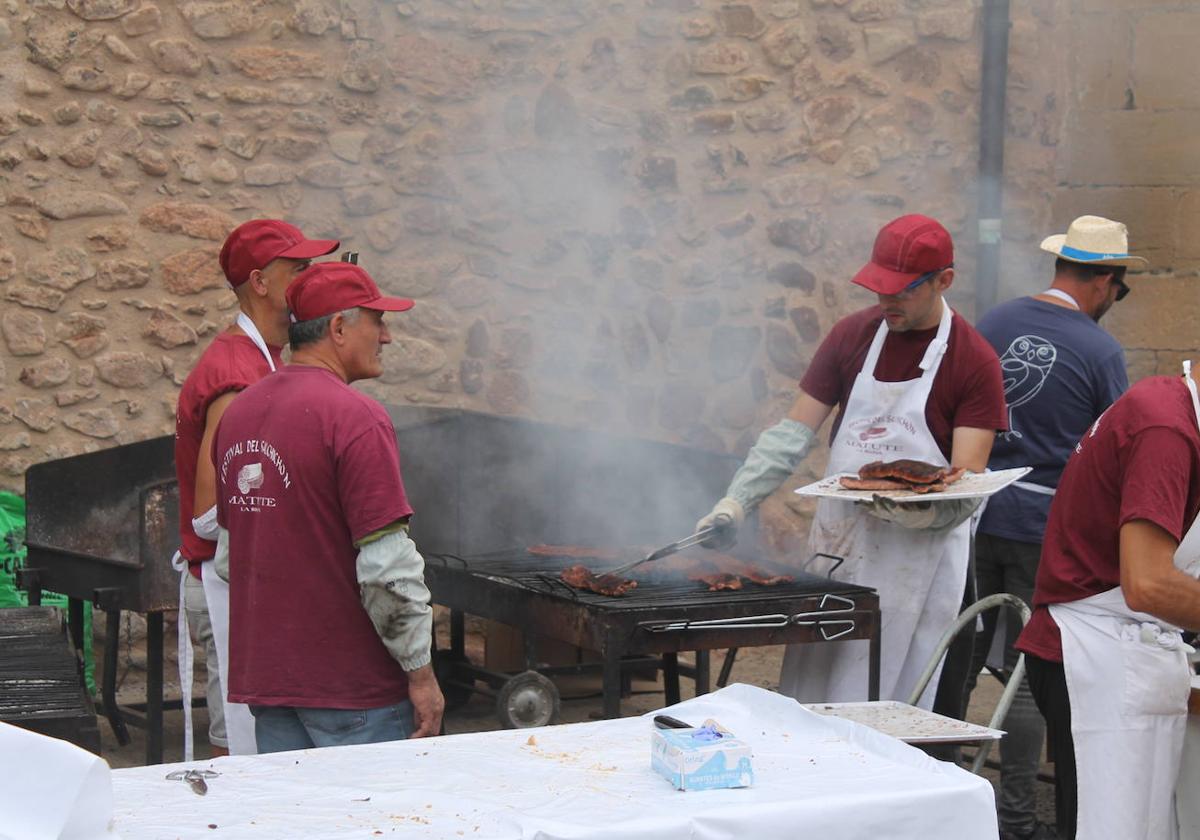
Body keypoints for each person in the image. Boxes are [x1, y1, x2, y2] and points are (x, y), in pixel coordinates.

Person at [699, 214, 1007, 708]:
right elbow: (793, 432)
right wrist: (736, 501)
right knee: (814, 699)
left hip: (914, 569)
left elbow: (964, 484)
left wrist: (902, 506)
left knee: (886, 704)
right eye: (879, 289)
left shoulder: (974, 362)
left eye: (901, 292)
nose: (887, 302)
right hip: (839, 552)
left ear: (944, 281)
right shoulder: (852, 335)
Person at [212, 261, 445, 751]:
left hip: (271, 687)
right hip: (354, 692)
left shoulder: (239, 414)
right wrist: (421, 676)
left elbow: (232, 558)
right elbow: (387, 571)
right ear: (339, 328)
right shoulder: (357, 418)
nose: (387, 337)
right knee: (374, 824)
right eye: (377, 322)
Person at [966, 215, 1141, 840]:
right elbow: (1117, 448)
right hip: (1042, 524)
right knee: (1032, 672)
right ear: (1106, 282)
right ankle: (1015, 820)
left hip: (977, 508)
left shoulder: (995, 321)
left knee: (961, 659)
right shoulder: (1100, 350)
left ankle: (941, 797)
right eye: (1118, 292)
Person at [1015, 364, 1200, 840]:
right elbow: (1149, 583)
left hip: (1120, 647)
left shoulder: (1172, 409)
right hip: (1095, 654)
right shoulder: (1166, 428)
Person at [174, 219, 338, 756]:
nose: (309, 280)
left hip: (247, 583)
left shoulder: (264, 361)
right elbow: (206, 510)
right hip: (224, 584)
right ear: (262, 282)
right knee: (240, 761)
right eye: (298, 269)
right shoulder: (236, 371)